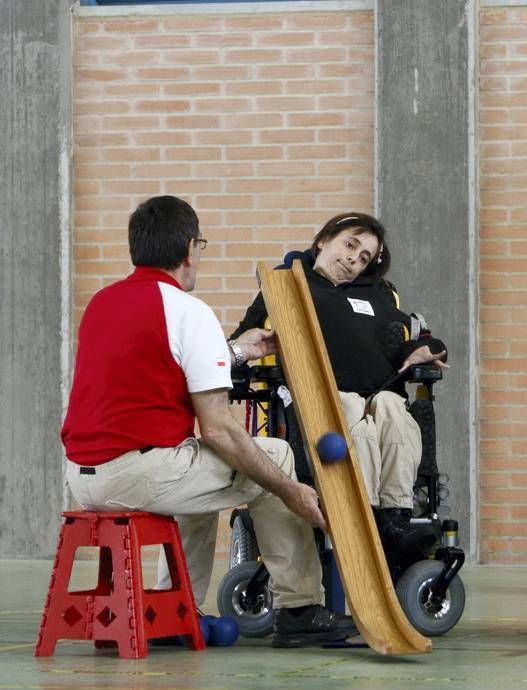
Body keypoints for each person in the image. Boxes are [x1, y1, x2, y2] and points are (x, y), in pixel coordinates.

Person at [61, 194, 358, 649]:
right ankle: (298, 607)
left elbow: (162, 364)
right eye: (200, 245)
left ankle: (175, 607)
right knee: (273, 453)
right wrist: (290, 489)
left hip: (83, 476)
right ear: (188, 249)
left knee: (196, 474)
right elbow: (217, 428)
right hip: (138, 473)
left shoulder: (103, 302)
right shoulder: (188, 310)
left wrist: (239, 350)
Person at [230, 212, 449, 554]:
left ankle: (395, 517)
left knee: (393, 407)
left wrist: (424, 350)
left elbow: (416, 338)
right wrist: (241, 355)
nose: (353, 259)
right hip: (320, 401)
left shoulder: (379, 296)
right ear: (323, 241)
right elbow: (241, 340)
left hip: (379, 395)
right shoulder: (285, 285)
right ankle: (366, 516)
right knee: (349, 406)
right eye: (349, 244)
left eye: (363, 257)